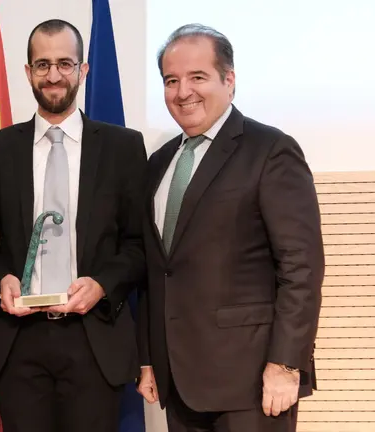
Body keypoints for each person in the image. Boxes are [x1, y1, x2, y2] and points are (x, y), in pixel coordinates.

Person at [136, 24, 325, 432]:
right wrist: (150, 357)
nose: (183, 91)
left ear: (229, 80)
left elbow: (301, 267)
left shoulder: (271, 150)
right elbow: (158, 269)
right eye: (171, 80)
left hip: (252, 383)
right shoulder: (159, 162)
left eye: (197, 77)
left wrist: (286, 364)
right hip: (180, 382)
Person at [0, 19, 148, 432]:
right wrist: (0, 279)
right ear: (28, 71)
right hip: (19, 341)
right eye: (43, 64)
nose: (54, 75)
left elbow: (140, 244)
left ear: (83, 70)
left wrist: (103, 284)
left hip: (94, 336)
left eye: (65, 64)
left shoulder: (124, 147)